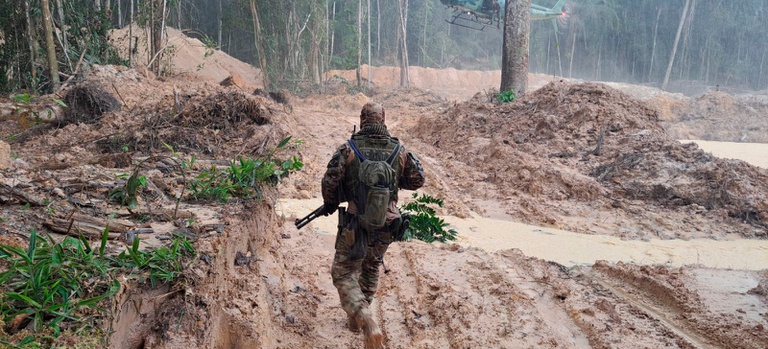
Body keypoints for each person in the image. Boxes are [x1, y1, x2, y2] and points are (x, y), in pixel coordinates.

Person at [320, 102, 425, 349]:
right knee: (371, 266)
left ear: (363, 120)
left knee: (344, 271)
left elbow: (330, 182)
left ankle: (364, 318)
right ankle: (358, 317)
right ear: (383, 119)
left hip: (356, 221)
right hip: (387, 222)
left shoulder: (349, 149)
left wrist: (332, 202)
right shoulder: (399, 149)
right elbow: (418, 179)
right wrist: (394, 181)